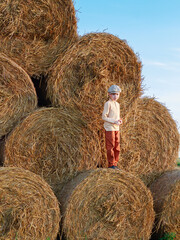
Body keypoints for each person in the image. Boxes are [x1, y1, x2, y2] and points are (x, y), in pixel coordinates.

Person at [102, 85, 122, 169]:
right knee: (111, 146)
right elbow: (104, 117)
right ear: (109, 94)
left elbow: (117, 116)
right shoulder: (108, 104)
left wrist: (120, 120)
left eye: (117, 94)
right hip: (109, 128)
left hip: (116, 128)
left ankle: (115, 163)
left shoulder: (117, 104)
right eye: (113, 94)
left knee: (117, 147)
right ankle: (111, 164)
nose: (115, 96)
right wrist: (114, 121)